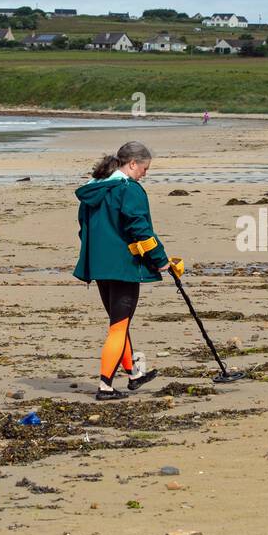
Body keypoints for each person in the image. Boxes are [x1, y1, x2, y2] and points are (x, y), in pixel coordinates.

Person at [73, 141, 183, 400]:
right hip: (123, 267)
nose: (145, 173)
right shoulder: (128, 189)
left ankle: (134, 374)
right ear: (132, 163)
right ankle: (105, 386)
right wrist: (160, 259)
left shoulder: (93, 188)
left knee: (119, 322)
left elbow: (83, 227)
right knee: (119, 326)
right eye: (145, 168)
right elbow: (140, 228)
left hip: (99, 266)